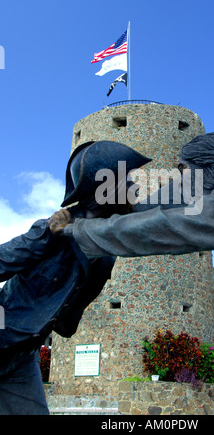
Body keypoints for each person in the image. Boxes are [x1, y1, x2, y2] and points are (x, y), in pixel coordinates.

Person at [0, 140, 150, 415]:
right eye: (129, 181)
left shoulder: (105, 250)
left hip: (23, 356)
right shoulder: (51, 231)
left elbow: (161, 213)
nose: (136, 187)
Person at [53, 132, 214, 292]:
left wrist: (78, 230)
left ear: (208, 166)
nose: (178, 179)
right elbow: (165, 202)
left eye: (182, 169)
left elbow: (165, 226)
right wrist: (84, 214)